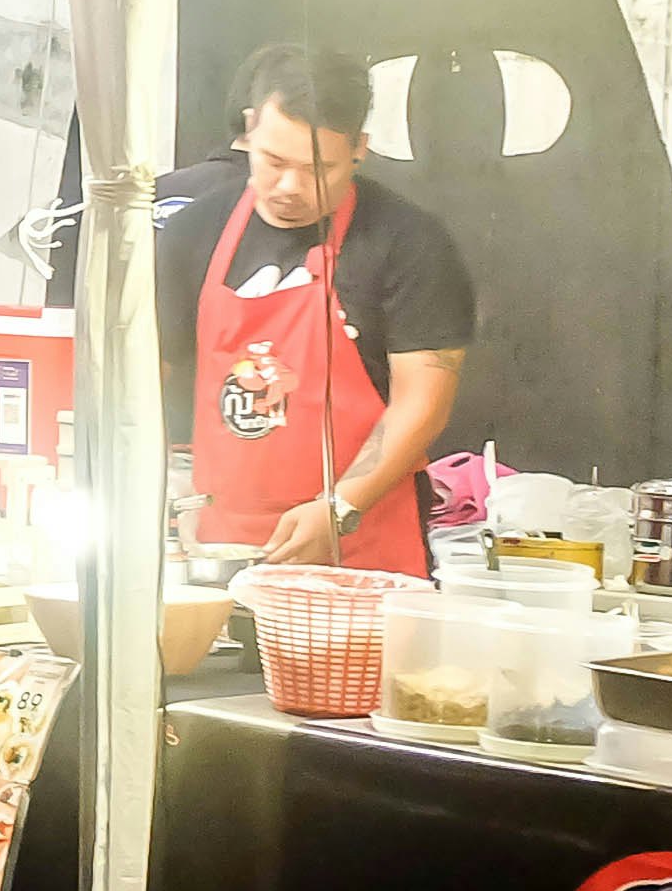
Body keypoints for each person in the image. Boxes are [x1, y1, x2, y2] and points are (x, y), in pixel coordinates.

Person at [161, 41, 474, 575]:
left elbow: (423, 401)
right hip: (222, 547)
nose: (288, 187)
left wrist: (342, 505)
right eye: (273, 161)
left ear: (359, 149)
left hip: (362, 552)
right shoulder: (196, 231)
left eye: (317, 169)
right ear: (249, 128)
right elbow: (149, 376)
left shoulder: (407, 242)